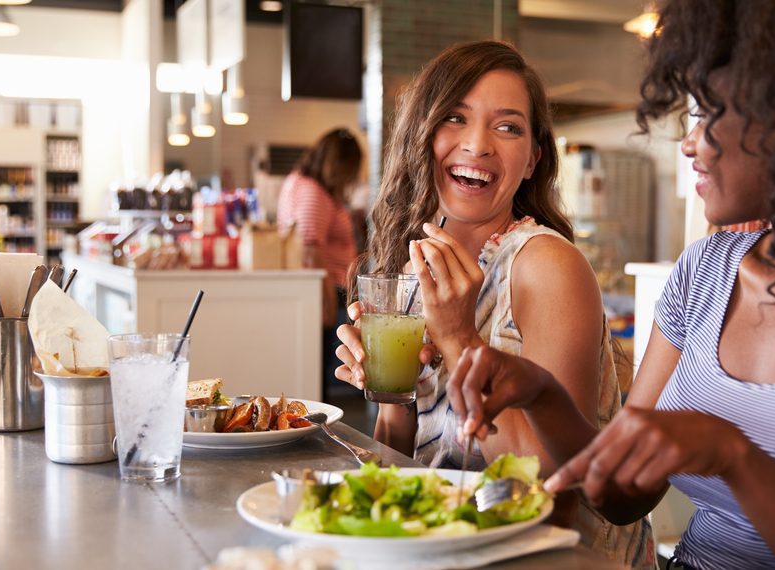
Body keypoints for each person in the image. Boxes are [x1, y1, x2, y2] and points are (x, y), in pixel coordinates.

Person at [447, 1, 775, 568]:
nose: (689, 144)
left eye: (709, 112)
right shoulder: (706, 271)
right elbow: (618, 498)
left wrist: (735, 457)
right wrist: (542, 393)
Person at [333, 41, 655, 567]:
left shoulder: (547, 266)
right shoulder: (416, 268)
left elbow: (547, 485)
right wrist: (389, 389)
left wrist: (461, 340)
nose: (478, 144)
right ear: (424, 135)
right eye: (455, 118)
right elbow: (407, 456)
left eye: (507, 127)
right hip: (456, 546)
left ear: (532, 160)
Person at [277, 128, 362, 394]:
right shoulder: (313, 191)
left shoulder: (302, 183)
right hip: (327, 292)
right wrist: (325, 304)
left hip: (325, 290)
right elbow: (312, 250)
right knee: (322, 373)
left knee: (321, 371)